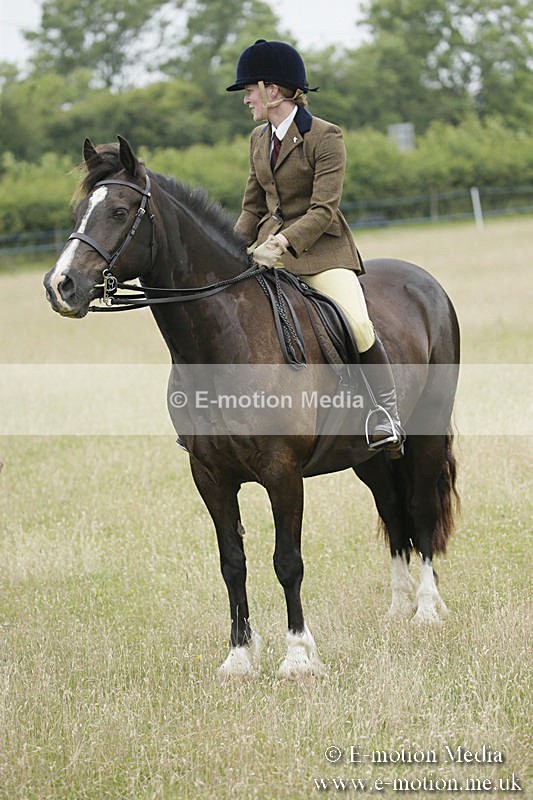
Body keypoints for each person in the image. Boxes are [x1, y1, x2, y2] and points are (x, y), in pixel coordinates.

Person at [226, 39, 405, 456]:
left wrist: (283, 242)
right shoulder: (258, 139)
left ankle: (383, 413)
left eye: (249, 90)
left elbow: (324, 210)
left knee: (358, 324)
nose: (246, 99)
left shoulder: (325, 136)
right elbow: (251, 208)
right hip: (269, 256)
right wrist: (231, 250)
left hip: (321, 253)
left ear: (273, 90)